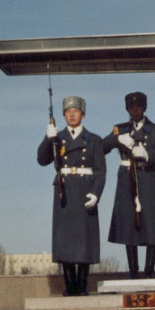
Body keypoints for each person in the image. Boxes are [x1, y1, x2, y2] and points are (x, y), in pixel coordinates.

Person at [37, 96, 106, 296]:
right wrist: (47, 138)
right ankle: (70, 286)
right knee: (65, 241)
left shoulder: (94, 140)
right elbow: (42, 160)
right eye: (68, 111)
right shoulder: (57, 138)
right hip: (64, 191)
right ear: (64, 115)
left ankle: (82, 286)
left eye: (76, 111)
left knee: (85, 240)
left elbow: (100, 170)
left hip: (85, 190)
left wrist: (96, 193)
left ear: (82, 114)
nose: (72, 114)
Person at [102, 92, 155, 278]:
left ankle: (149, 272)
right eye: (132, 107)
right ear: (127, 109)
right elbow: (101, 147)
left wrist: (147, 154)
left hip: (147, 179)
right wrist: (117, 139)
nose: (135, 110)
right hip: (126, 178)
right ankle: (133, 271)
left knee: (151, 223)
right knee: (128, 224)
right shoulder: (120, 128)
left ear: (145, 107)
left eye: (139, 106)